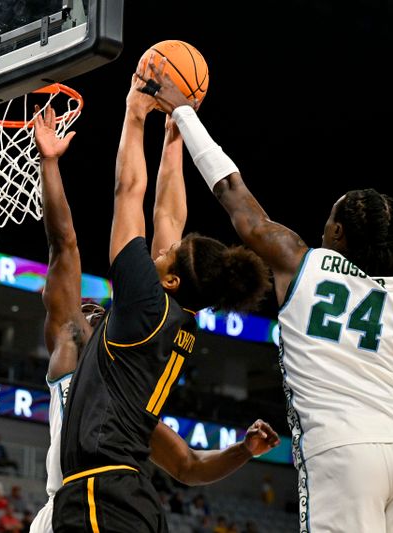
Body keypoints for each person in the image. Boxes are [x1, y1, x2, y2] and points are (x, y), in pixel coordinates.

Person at [144, 60, 393, 531]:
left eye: (329, 217)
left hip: (342, 453)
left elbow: (231, 191)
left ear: (339, 231)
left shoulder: (298, 261)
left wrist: (184, 113)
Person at [32, 91, 273, 533]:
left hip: (96, 496)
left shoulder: (130, 321)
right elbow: (186, 465)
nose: (162, 252)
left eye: (170, 256)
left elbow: (71, 238)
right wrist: (174, 136)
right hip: (115, 495)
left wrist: (132, 113)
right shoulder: (142, 360)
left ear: (172, 281)